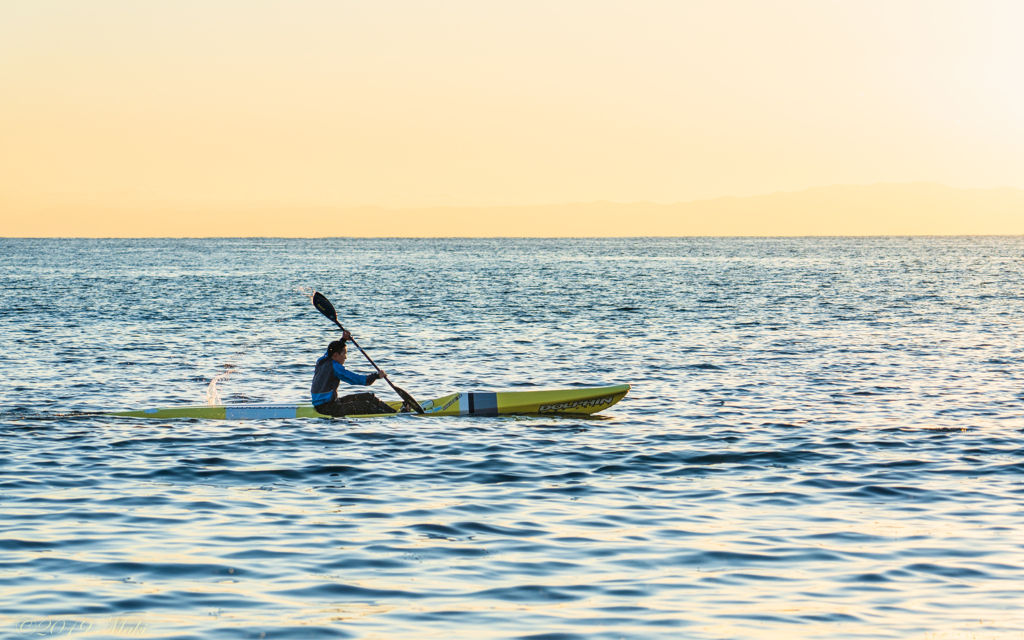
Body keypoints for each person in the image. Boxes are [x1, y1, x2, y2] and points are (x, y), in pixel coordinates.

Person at [311, 333, 397, 416]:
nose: (345, 357)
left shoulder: (322, 359)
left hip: (331, 403)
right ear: (336, 355)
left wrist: (343, 339)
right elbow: (354, 379)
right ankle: (394, 415)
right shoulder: (335, 367)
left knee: (369, 397)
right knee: (366, 406)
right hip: (328, 408)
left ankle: (393, 412)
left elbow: (332, 349)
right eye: (344, 354)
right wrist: (375, 376)